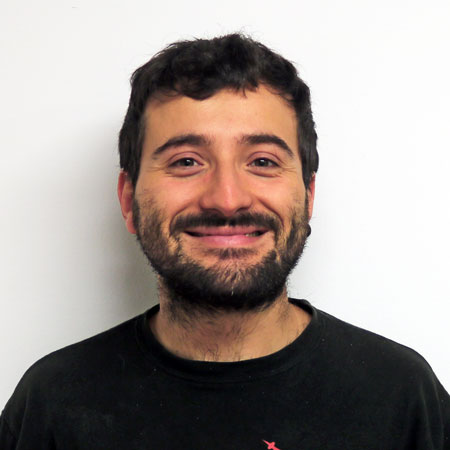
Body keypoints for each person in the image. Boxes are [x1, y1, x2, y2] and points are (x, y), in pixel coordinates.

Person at [1, 33, 449, 450]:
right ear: (128, 200)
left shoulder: (402, 396)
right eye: (186, 161)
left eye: (262, 161)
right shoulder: (52, 403)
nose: (227, 199)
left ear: (309, 195)